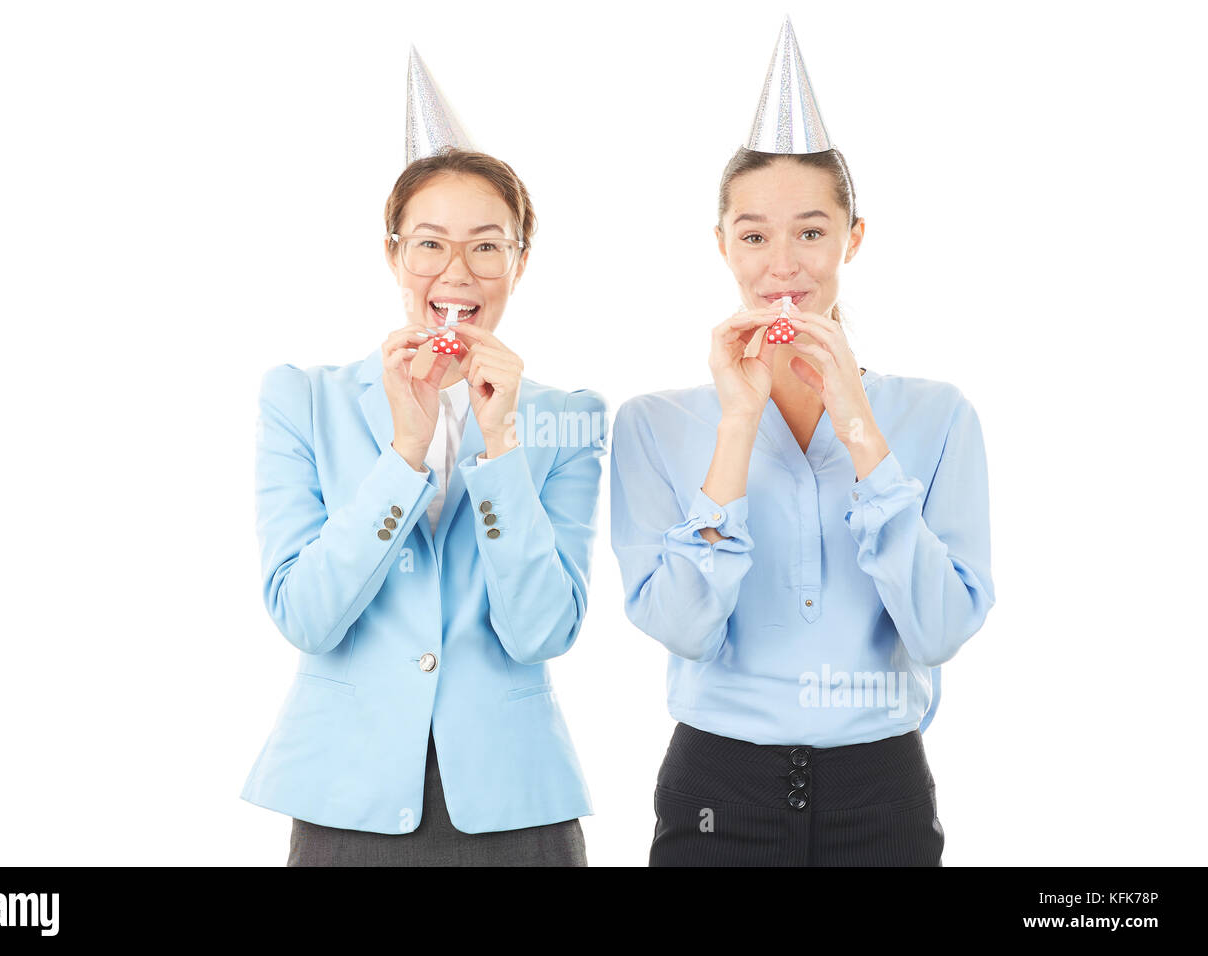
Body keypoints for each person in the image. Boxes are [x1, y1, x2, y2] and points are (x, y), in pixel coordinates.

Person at [608, 17, 994, 866]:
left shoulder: (939, 416)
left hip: (882, 788)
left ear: (854, 238)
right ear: (723, 246)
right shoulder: (651, 423)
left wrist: (858, 425)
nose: (782, 264)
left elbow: (937, 631)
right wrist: (738, 425)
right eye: (754, 235)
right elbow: (683, 627)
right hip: (717, 787)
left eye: (812, 232)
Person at [240, 49, 606, 866]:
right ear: (393, 254)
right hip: (346, 802)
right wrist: (406, 453)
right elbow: (304, 614)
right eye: (430, 244)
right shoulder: (303, 400)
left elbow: (543, 630)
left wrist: (502, 446)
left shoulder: (568, 419)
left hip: (516, 808)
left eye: (487, 247)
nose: (456, 273)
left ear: (520, 261)